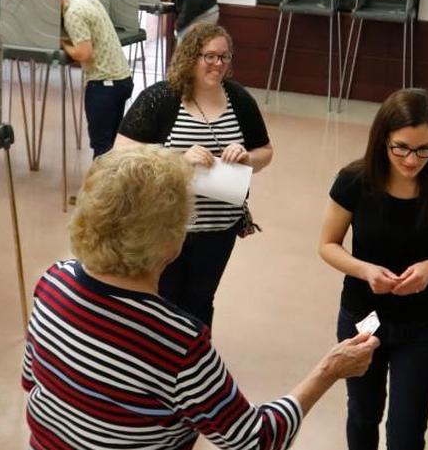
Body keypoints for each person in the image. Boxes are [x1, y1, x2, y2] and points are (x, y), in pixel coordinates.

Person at [22, 145, 380, 450]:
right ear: (166, 239)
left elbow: (31, 382)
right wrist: (328, 371)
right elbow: (255, 439)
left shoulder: (53, 280)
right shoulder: (176, 341)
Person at [319, 88, 428, 450]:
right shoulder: (354, 181)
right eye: (401, 147)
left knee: (407, 433)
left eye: (425, 149)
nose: (412, 160)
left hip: (422, 326)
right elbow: (327, 244)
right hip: (364, 318)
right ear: (383, 140)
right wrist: (365, 271)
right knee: (363, 413)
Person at [114, 22, 272, 327]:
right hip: (166, 225)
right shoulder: (162, 98)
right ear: (190, 57)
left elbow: (266, 151)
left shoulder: (239, 100)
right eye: (210, 57)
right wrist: (176, 159)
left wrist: (247, 158)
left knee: (201, 300)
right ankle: (158, 361)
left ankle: (193, 362)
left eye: (224, 58)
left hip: (219, 228)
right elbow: (120, 152)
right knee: (163, 298)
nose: (218, 65)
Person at [59, 0, 133, 158]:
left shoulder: (72, 14)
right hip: (122, 80)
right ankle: (114, 183)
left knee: (102, 149)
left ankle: (100, 184)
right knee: (113, 146)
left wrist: (63, 44)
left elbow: (84, 54)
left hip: (103, 86)